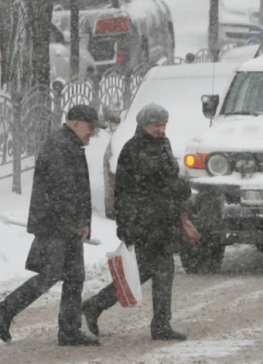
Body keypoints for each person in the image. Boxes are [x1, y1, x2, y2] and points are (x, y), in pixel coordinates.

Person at [81, 104, 190, 341]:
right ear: (143, 125)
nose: (161, 129)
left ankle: (98, 305)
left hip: (163, 219)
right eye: (156, 125)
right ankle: (159, 325)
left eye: (163, 125)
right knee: (158, 270)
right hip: (146, 222)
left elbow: (167, 177)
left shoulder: (164, 143)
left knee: (151, 271)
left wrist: (179, 187)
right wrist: (127, 225)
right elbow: (126, 192)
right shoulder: (133, 149)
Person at [0, 105, 105, 346]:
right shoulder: (60, 146)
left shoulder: (70, 144)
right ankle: (5, 310)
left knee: (75, 277)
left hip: (64, 224)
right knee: (51, 274)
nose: (93, 133)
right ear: (76, 123)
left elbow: (73, 189)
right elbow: (63, 190)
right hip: (55, 224)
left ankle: (69, 331)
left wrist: (80, 222)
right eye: (90, 127)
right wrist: (78, 222)